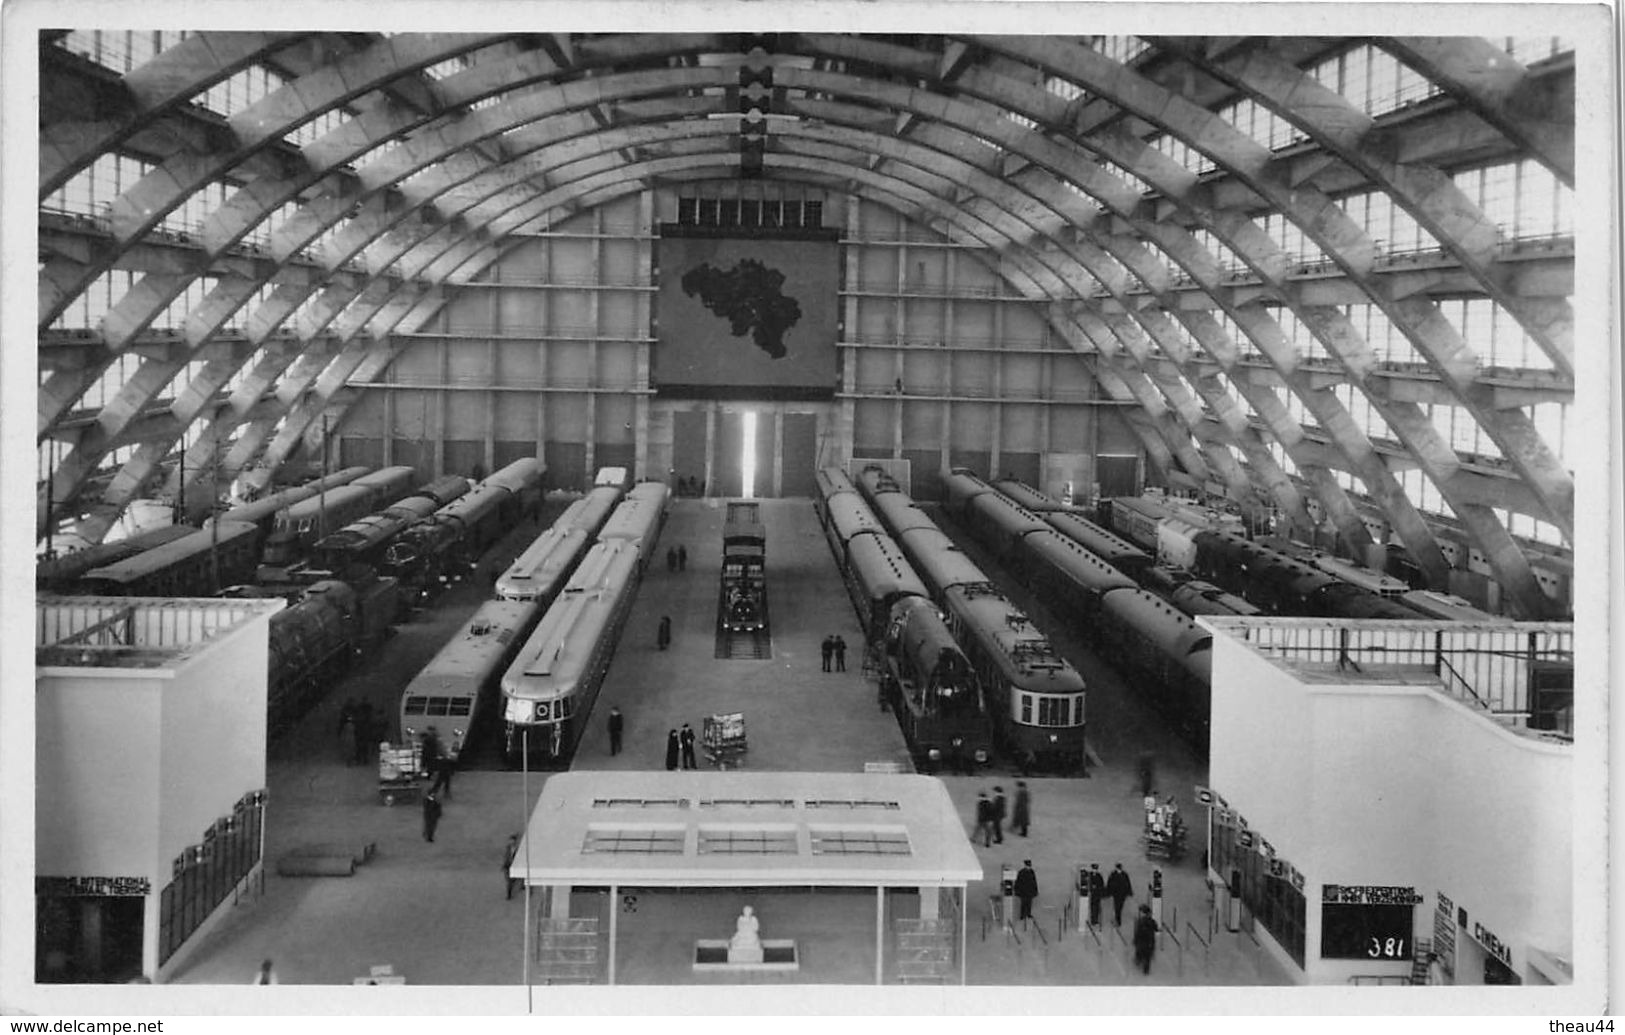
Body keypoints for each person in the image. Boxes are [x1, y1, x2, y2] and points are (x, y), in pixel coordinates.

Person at [1133, 904, 1158, 974]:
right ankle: (1145, 970)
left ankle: (1139, 962)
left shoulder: (1141, 921)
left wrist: (1135, 940)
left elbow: (1138, 931)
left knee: (1141, 953)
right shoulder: (1151, 921)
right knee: (1147, 956)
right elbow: (1156, 929)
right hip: (1148, 941)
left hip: (1143, 941)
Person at [503, 833, 522, 900]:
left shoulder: (517, 849)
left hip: (515, 866)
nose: (512, 842)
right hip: (508, 866)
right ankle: (509, 894)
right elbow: (506, 857)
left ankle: (522, 886)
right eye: (511, 841)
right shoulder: (508, 848)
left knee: (515, 879)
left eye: (513, 841)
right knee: (509, 881)